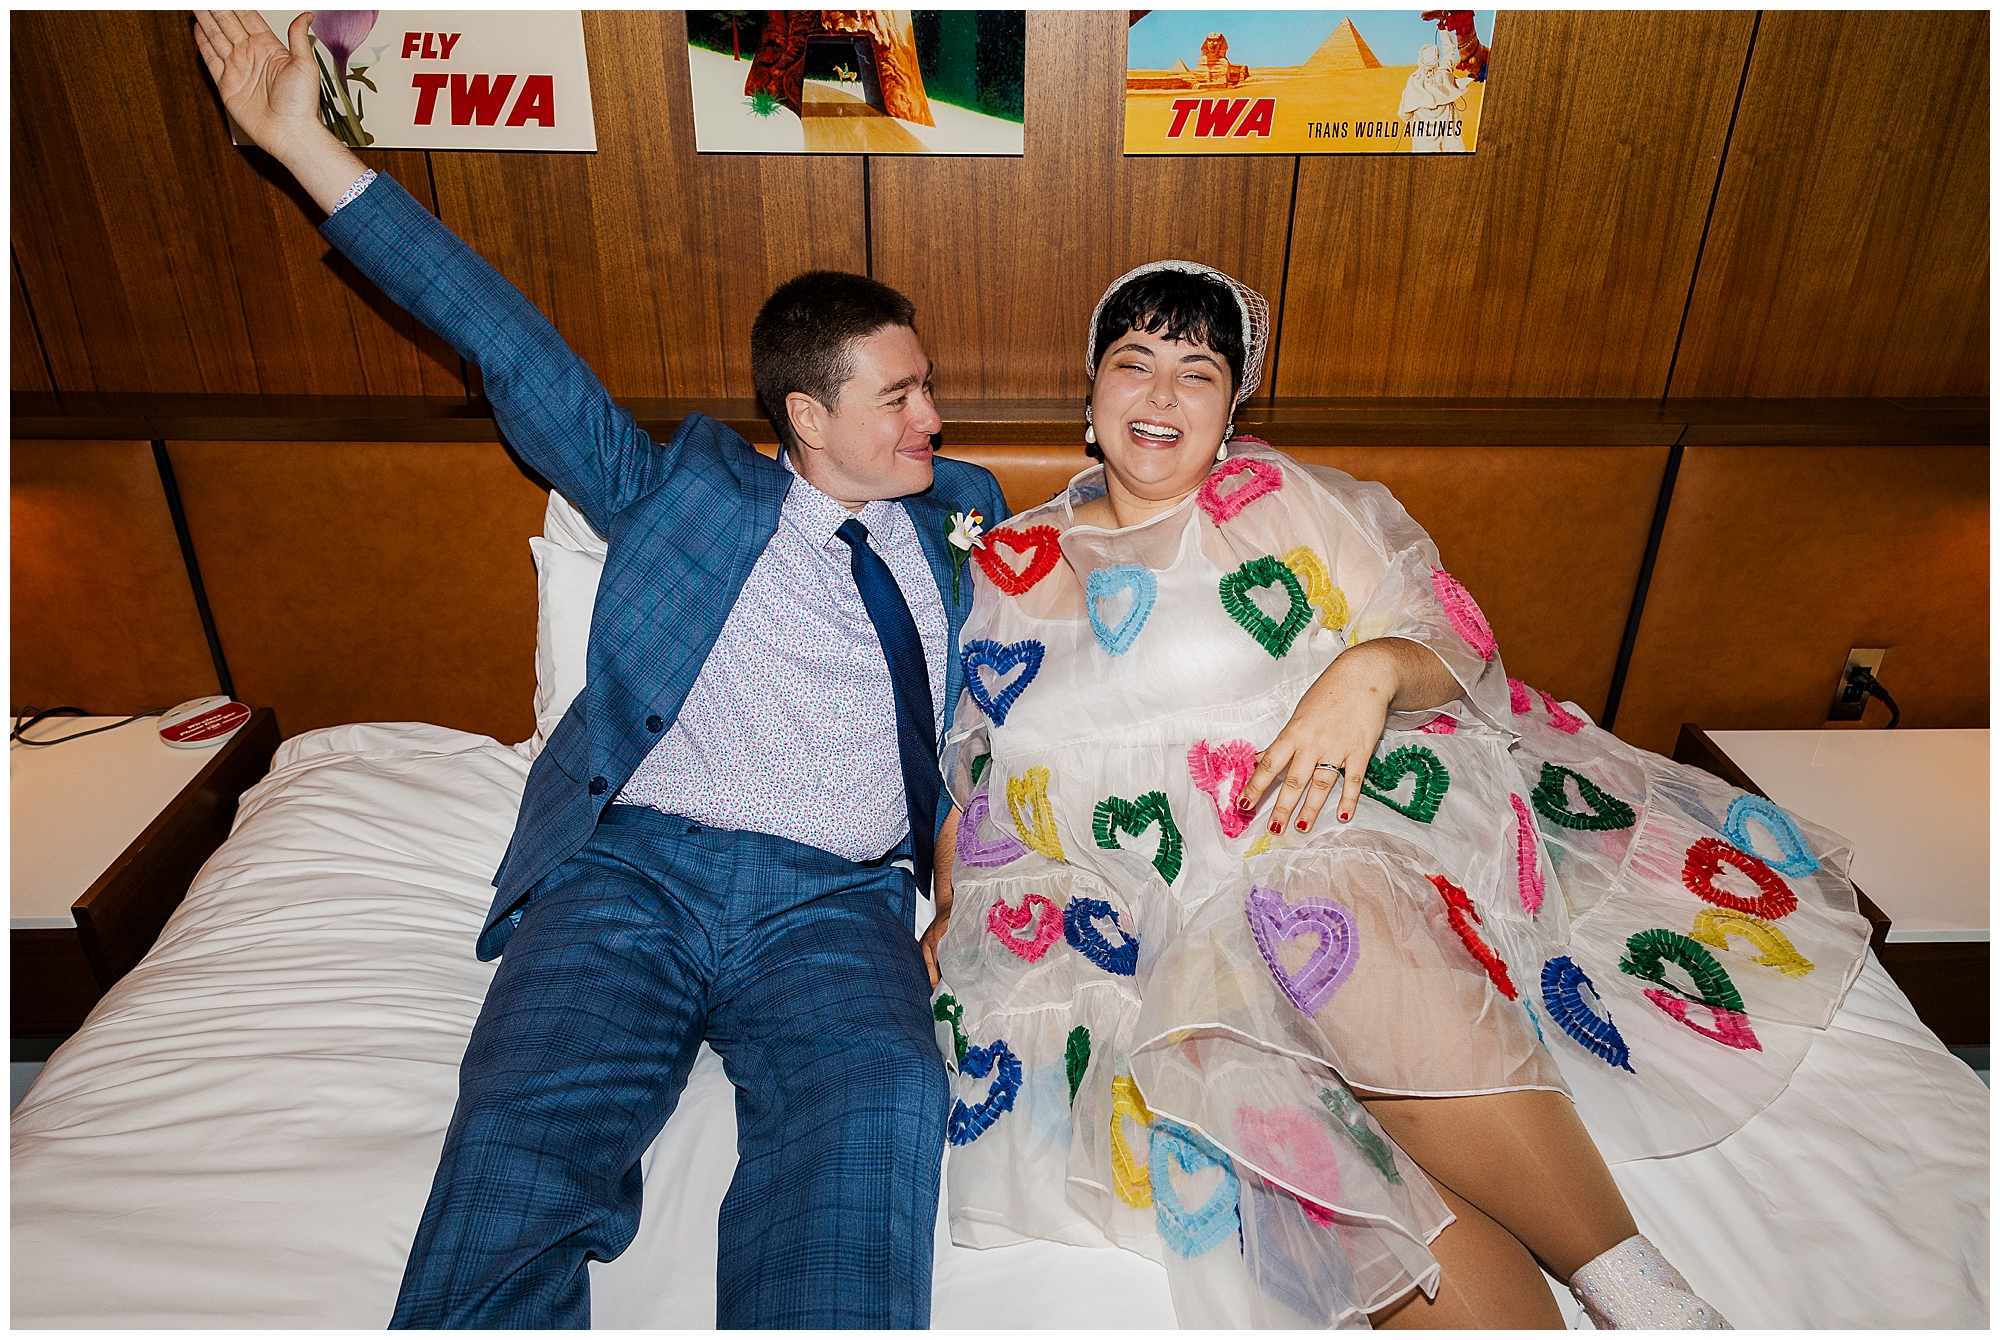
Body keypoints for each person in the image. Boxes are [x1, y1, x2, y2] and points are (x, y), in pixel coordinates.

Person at [193, 9, 1009, 1329]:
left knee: (876, 1116)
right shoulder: (683, 495)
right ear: (805, 418)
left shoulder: (963, 518)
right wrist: (308, 150)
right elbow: (513, 349)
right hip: (637, 874)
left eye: (926, 389)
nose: (933, 415)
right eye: (901, 395)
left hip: (838, 908)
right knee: (522, 1130)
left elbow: (1125, 570)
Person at [923, 260, 1872, 1328]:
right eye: (1132, 362)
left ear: (1231, 407)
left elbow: (1452, 643)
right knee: (1295, 1124)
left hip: (1313, 844)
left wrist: (1365, 672)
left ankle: (1645, 1292)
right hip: (1136, 922)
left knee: (1313, 914)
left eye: (1196, 371)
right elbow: (979, 761)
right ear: (1088, 394)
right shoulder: (1011, 560)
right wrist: (955, 900)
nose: (1158, 395)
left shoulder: (1294, 504)